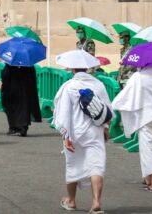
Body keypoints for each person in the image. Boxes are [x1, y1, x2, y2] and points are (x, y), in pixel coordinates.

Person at [53, 51, 110, 213]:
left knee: (73, 165)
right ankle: (96, 202)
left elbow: (64, 114)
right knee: (97, 165)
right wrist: (105, 128)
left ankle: (71, 200)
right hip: (95, 130)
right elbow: (107, 109)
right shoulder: (98, 84)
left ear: (72, 68)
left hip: (75, 132)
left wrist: (66, 135)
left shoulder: (69, 87)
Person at [110, 66, 152, 192]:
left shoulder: (138, 77)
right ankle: (147, 177)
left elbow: (125, 95)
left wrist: (114, 105)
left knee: (147, 148)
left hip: (146, 116)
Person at [1, 63, 41, 136]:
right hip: (26, 91)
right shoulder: (29, 65)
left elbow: (5, 75)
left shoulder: (10, 65)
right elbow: (32, 78)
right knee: (24, 108)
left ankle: (14, 128)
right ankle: (23, 127)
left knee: (11, 108)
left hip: (12, 90)